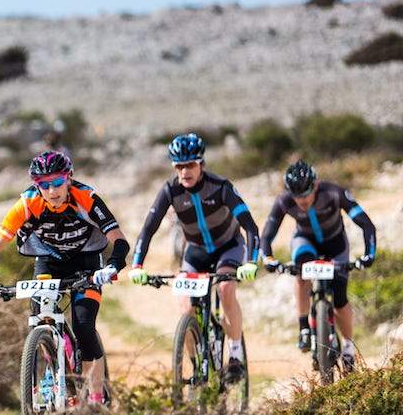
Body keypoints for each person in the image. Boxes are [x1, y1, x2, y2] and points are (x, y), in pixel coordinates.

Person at [0, 150, 129, 404]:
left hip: (86, 260)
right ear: (36, 185)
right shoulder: (27, 203)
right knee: (40, 316)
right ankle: (51, 368)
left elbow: (119, 239)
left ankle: (95, 397)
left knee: (84, 326)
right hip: (49, 261)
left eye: (57, 182)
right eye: (44, 184)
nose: (52, 190)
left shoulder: (85, 197)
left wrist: (111, 267)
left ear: (69, 178)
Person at [128, 133, 261, 382]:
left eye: (190, 165)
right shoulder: (170, 190)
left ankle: (234, 355)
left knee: (225, 288)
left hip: (228, 247)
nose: (184, 172)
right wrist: (137, 265)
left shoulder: (221, 187)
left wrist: (251, 261)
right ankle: (197, 363)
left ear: (201, 164)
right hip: (196, 251)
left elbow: (251, 227)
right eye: (179, 166)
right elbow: (148, 229)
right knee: (185, 306)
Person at [261, 160, 376, 369]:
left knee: (340, 299)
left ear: (315, 185)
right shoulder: (284, 201)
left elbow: (366, 224)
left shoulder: (334, 192)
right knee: (301, 272)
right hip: (305, 242)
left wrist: (369, 254)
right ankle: (304, 326)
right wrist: (268, 258)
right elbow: (267, 235)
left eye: (305, 193)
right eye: (296, 195)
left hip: (336, 244)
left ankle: (349, 347)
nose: (302, 200)